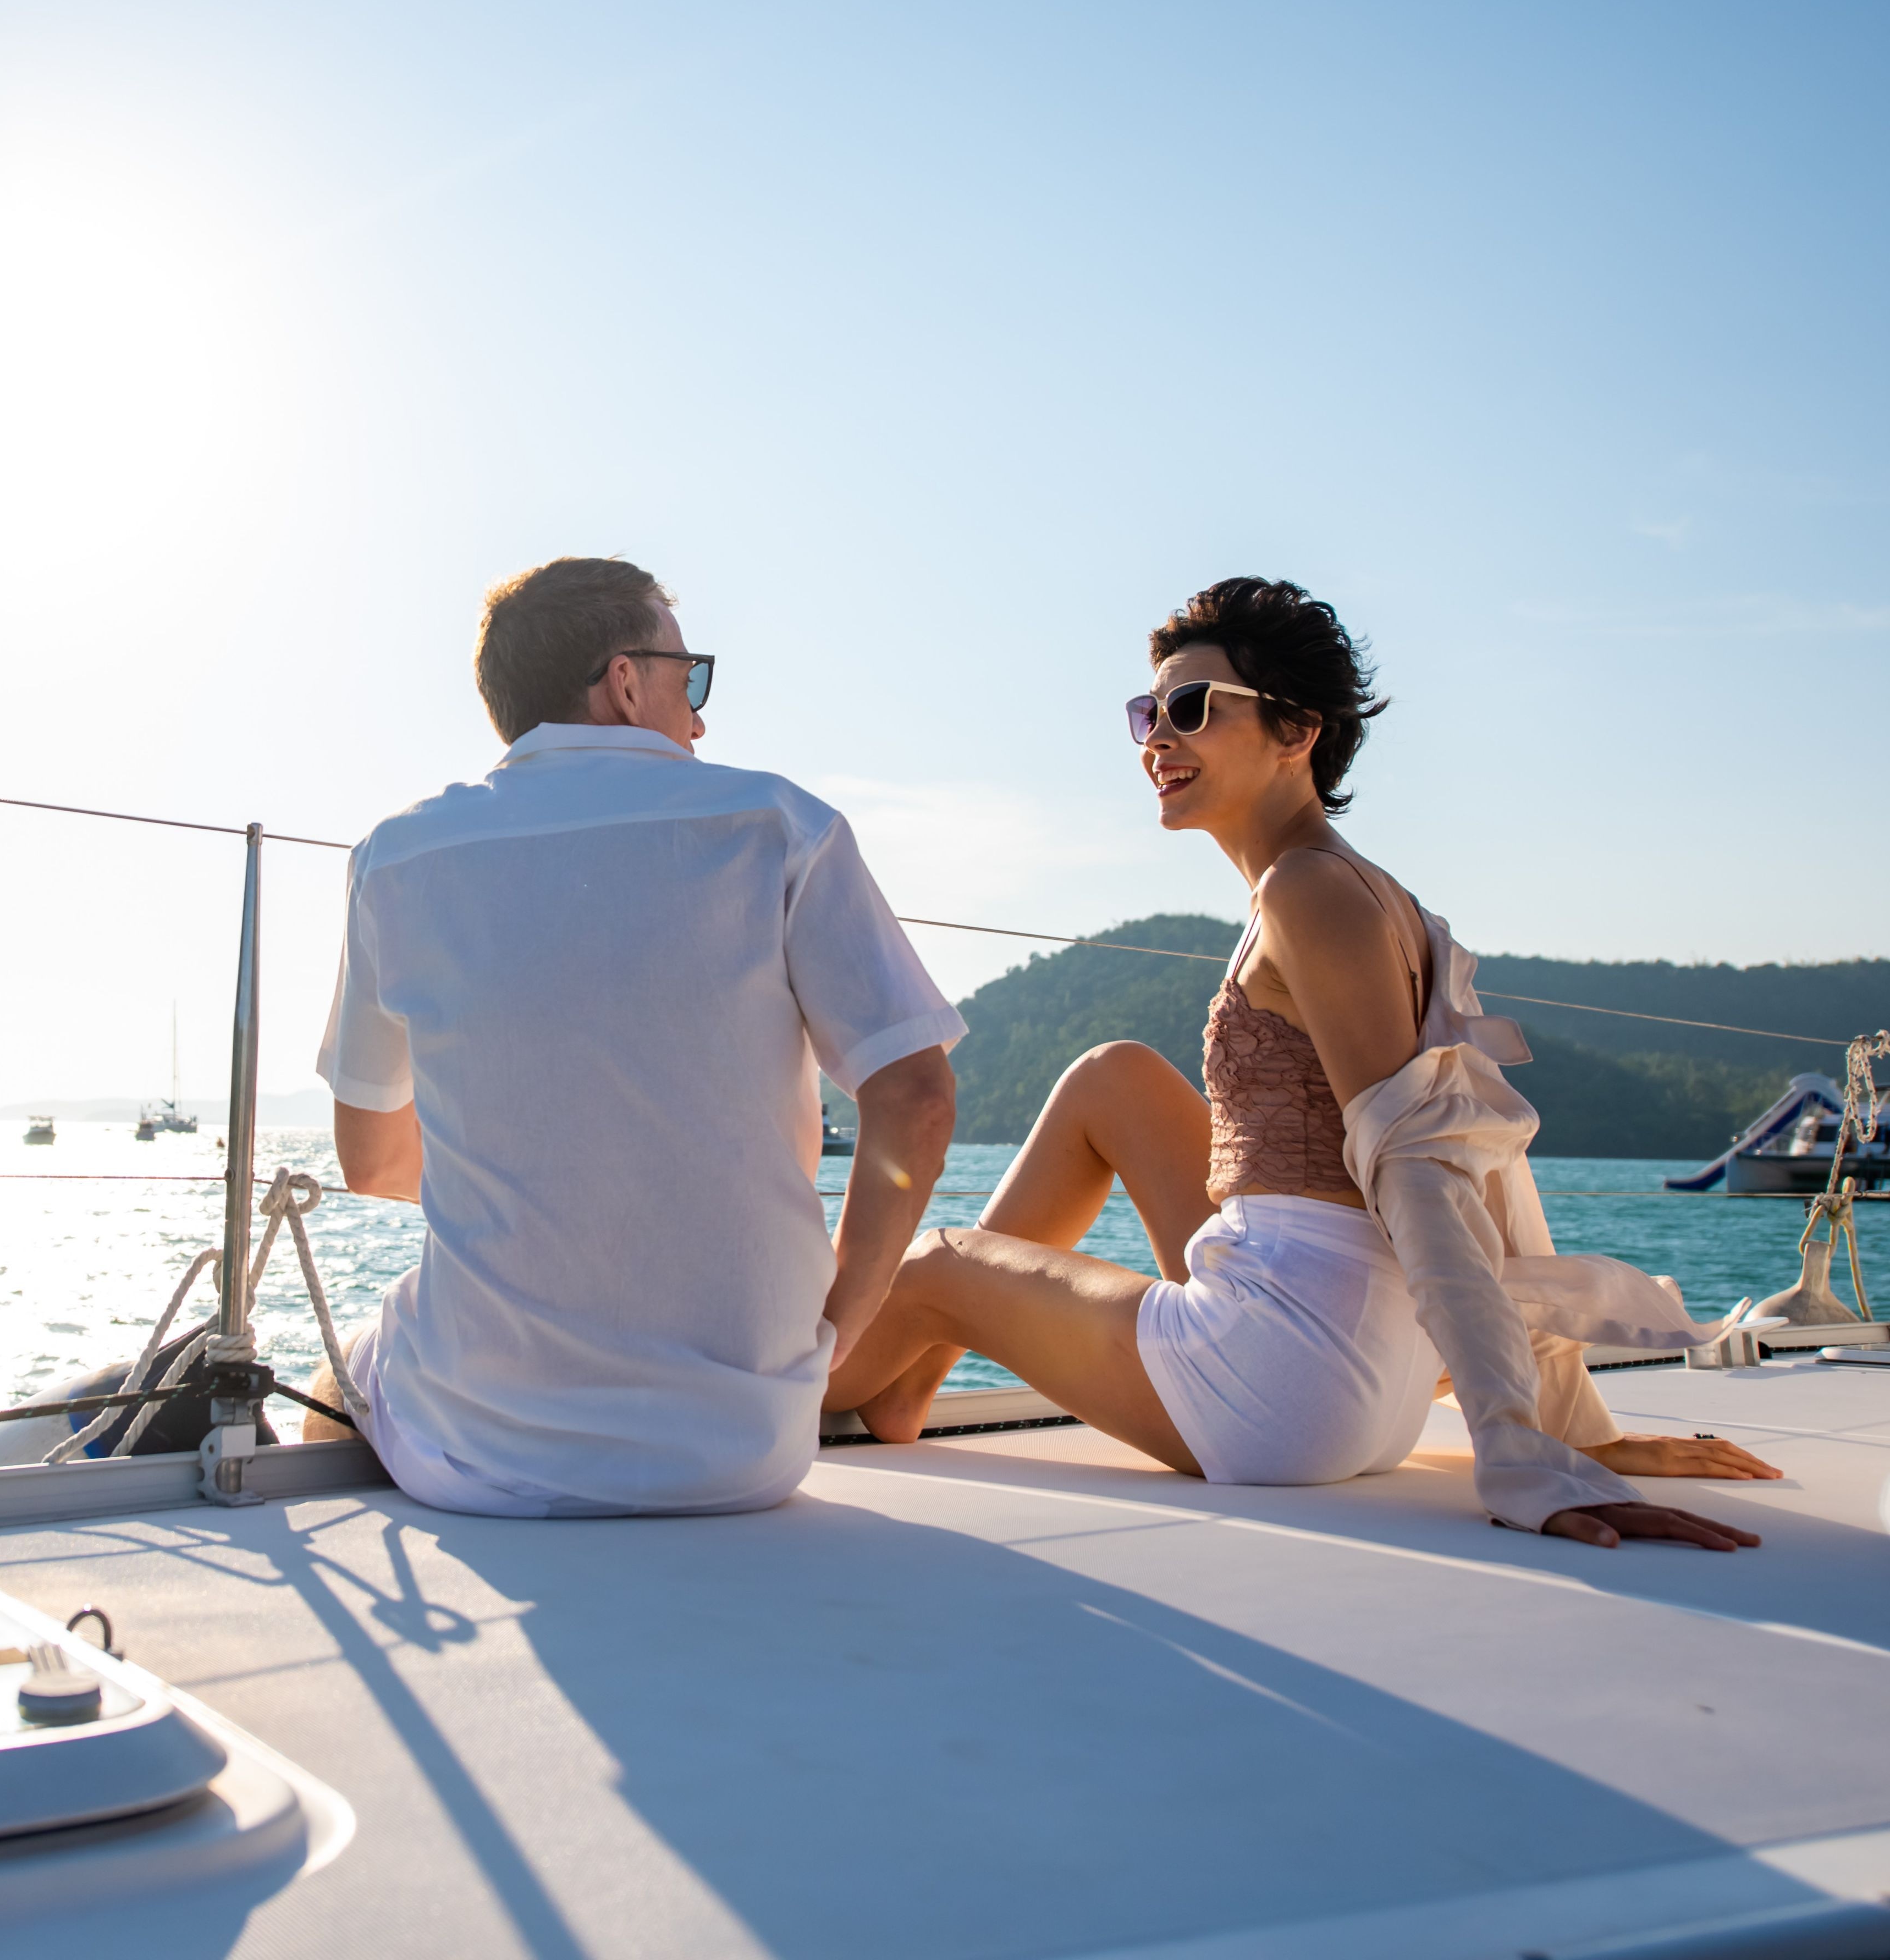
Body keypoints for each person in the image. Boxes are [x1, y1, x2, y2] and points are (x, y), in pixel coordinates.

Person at [825, 576, 1781, 1550]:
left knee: (933, 1263)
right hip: (1358, 1371)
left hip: (1285, 1381)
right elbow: (1484, 1166)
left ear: (1297, 733)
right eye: (1147, 713)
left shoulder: (1309, 893)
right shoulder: (1351, 887)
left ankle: (734, 1392)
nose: (1158, 738)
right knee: (1111, 1078)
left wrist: (1526, 1452)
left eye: (1192, 708)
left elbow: (1434, 1167)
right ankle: (909, 1383)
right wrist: (1581, 1430)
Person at [307, 556, 963, 1516]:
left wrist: (550, 1175)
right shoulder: (779, 826)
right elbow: (917, 1100)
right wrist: (830, 1341)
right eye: (689, 677)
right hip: (749, 1453)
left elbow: (370, 1164)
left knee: (349, 1371)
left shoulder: (400, 857)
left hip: (482, 1457)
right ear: (624, 682)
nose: (699, 717)